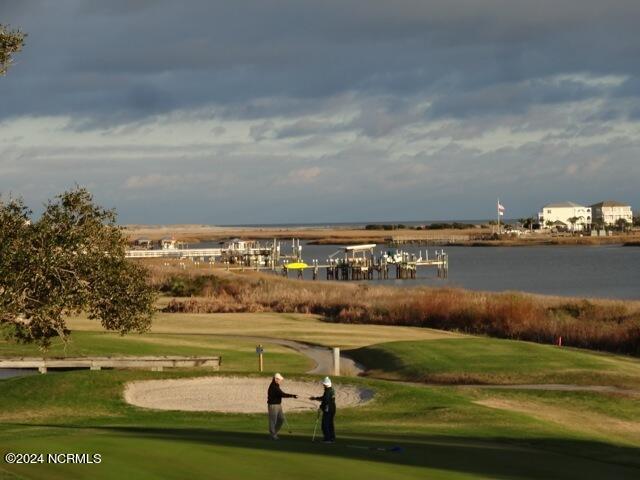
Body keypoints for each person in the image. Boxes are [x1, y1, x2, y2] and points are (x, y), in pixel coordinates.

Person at [267, 373, 298, 440]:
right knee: (273, 420)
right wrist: (292, 396)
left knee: (281, 419)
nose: (281, 381)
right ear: (276, 379)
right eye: (280, 380)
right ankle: (272, 435)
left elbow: (280, 395)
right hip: (273, 406)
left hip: (278, 405)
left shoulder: (276, 385)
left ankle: (274, 433)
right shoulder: (273, 387)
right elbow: (282, 394)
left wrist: (293, 396)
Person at [309, 376, 336, 443]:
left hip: (328, 409)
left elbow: (325, 401)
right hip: (333, 408)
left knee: (325, 424)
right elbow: (324, 398)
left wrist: (321, 407)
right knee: (330, 423)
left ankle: (327, 439)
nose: (323, 385)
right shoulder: (331, 390)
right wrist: (315, 398)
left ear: (326, 384)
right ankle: (332, 438)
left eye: (324, 384)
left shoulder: (327, 391)